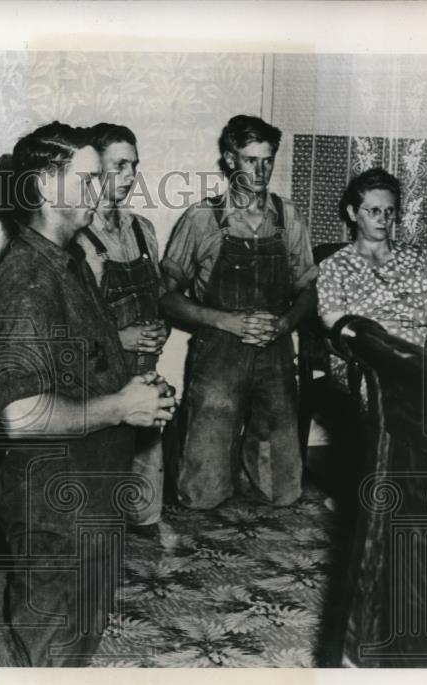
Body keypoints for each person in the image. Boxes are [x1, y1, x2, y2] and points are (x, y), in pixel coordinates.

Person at [0, 122, 176, 666]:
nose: (103, 190)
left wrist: (135, 390)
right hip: (53, 506)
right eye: (88, 179)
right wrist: (120, 406)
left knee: (77, 645)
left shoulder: (69, 262)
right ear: (47, 188)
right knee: (48, 656)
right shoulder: (28, 280)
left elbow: (83, 366)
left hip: (88, 496)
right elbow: (20, 416)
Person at [160, 114, 316, 510]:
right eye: (250, 160)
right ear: (230, 160)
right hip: (219, 350)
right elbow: (165, 296)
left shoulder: (288, 216)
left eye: (267, 160)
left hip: (275, 350)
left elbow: (308, 291)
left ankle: (252, 462)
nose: (261, 171)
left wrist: (283, 324)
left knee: (285, 494)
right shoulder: (201, 218)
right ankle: (202, 451)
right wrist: (223, 320)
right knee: (202, 496)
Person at [76, 123, 168, 536]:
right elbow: (73, 321)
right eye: (119, 165)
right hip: (96, 370)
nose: (130, 176)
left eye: (134, 165)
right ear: (95, 170)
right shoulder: (78, 235)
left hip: (144, 364)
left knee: (147, 446)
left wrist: (158, 328)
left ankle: (145, 521)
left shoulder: (142, 230)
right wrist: (121, 337)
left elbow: (158, 293)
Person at [317, 167, 427, 377]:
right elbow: (335, 332)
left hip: (418, 360)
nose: (383, 219)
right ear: (353, 213)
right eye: (374, 211)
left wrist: (424, 360)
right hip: (363, 367)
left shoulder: (417, 259)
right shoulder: (335, 266)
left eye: (389, 211)